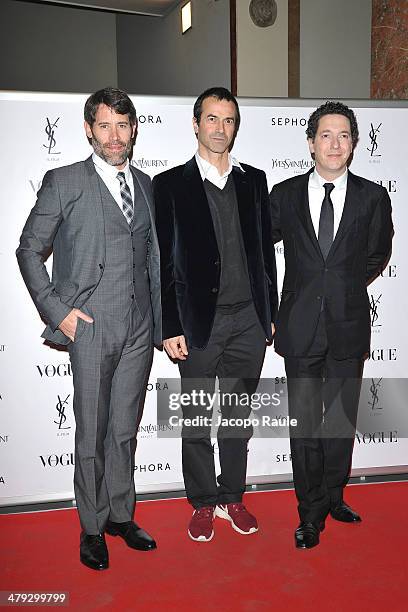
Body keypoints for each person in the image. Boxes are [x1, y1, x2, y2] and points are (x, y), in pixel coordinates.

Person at [17, 87, 161, 570]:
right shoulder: (64, 181)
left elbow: (156, 260)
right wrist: (57, 311)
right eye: (104, 125)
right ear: (88, 130)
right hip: (91, 325)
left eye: (122, 125)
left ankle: (122, 515)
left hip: (140, 326)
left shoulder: (147, 185)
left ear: (134, 129)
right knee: (92, 431)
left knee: (124, 430)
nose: (114, 135)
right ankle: (92, 526)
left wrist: (163, 323)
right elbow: (28, 250)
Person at [153, 87, 278, 542]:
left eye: (228, 120)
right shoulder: (169, 184)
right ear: (195, 124)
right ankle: (203, 501)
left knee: (236, 417)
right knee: (195, 417)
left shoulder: (254, 180)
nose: (220, 129)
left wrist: (270, 311)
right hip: (196, 322)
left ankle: (232, 497)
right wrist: (169, 326)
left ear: (235, 126)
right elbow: (162, 261)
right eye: (211, 119)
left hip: (248, 320)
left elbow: (266, 252)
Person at [270, 101, 393, 549]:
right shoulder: (283, 195)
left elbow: (378, 253)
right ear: (310, 143)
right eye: (326, 135)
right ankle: (310, 513)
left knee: (339, 420)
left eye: (344, 135)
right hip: (299, 326)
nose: (335, 143)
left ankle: (334, 494)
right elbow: (264, 251)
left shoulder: (372, 197)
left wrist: (340, 286)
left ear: (355, 144)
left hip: (347, 324)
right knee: (305, 424)